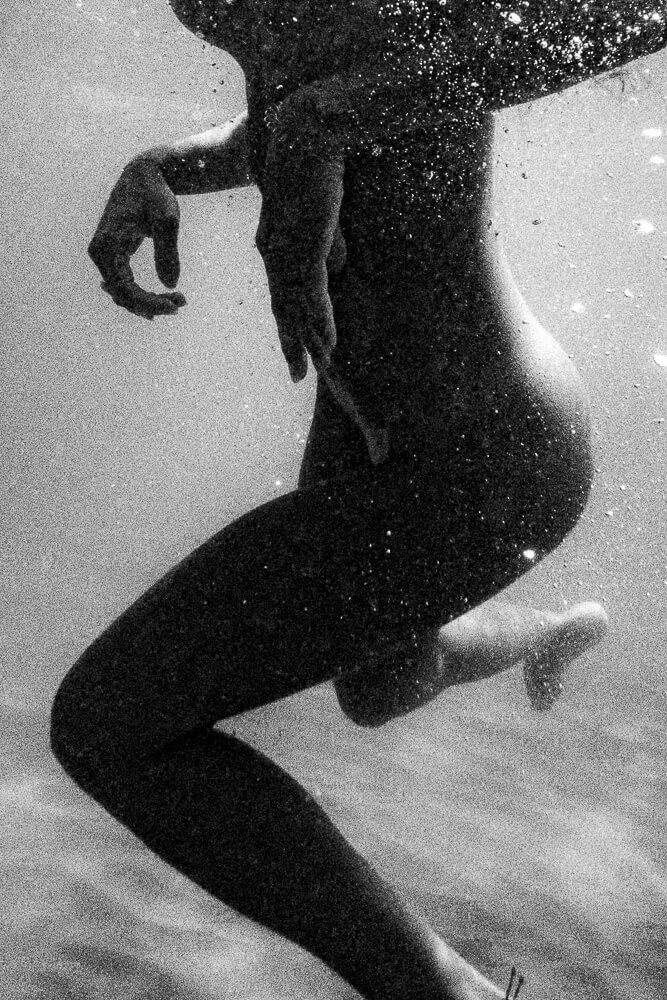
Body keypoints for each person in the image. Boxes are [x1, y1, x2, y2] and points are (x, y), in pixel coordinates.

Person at [51, 2, 663, 997]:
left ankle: (444, 991)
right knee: (379, 685)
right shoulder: (321, 39)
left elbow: (633, 19)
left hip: (486, 460)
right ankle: (547, 631)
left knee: (106, 724)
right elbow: (295, 122)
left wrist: (320, 122)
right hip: (383, 434)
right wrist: (161, 162)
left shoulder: (399, 17)